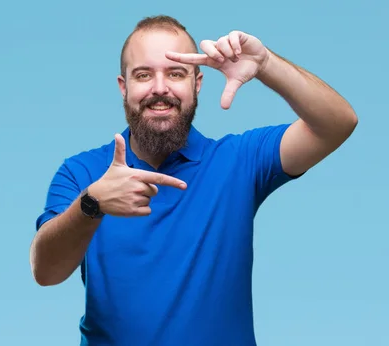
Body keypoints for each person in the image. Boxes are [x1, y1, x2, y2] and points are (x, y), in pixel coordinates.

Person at [30, 15, 358, 346]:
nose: (160, 88)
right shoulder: (81, 173)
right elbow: (46, 272)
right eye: (144, 75)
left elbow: (338, 123)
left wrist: (266, 63)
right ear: (123, 86)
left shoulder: (239, 160)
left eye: (176, 73)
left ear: (197, 83)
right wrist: (92, 204)